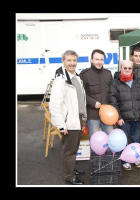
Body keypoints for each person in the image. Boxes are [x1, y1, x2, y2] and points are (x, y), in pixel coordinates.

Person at [50, 50, 87, 185]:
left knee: (74, 148)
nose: (72, 63)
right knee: (69, 150)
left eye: (74, 60)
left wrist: (83, 118)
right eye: (69, 60)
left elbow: (80, 100)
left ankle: (71, 169)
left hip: (78, 119)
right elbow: (54, 104)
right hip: (69, 122)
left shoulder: (76, 77)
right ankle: (69, 176)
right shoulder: (61, 80)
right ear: (63, 61)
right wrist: (61, 124)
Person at [109, 60, 140, 171]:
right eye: (125, 68)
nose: (127, 70)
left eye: (129, 68)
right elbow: (113, 102)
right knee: (125, 140)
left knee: (137, 139)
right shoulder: (115, 83)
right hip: (124, 119)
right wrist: (118, 117)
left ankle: (136, 158)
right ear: (121, 68)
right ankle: (125, 160)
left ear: (132, 69)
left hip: (138, 118)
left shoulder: (139, 81)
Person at [79, 49, 113, 138]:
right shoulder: (85, 74)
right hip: (92, 114)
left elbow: (112, 92)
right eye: (97, 59)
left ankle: (110, 153)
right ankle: (93, 153)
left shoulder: (108, 74)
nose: (99, 62)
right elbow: (80, 94)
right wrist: (93, 103)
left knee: (111, 138)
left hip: (107, 113)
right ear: (91, 60)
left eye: (101, 59)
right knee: (95, 140)